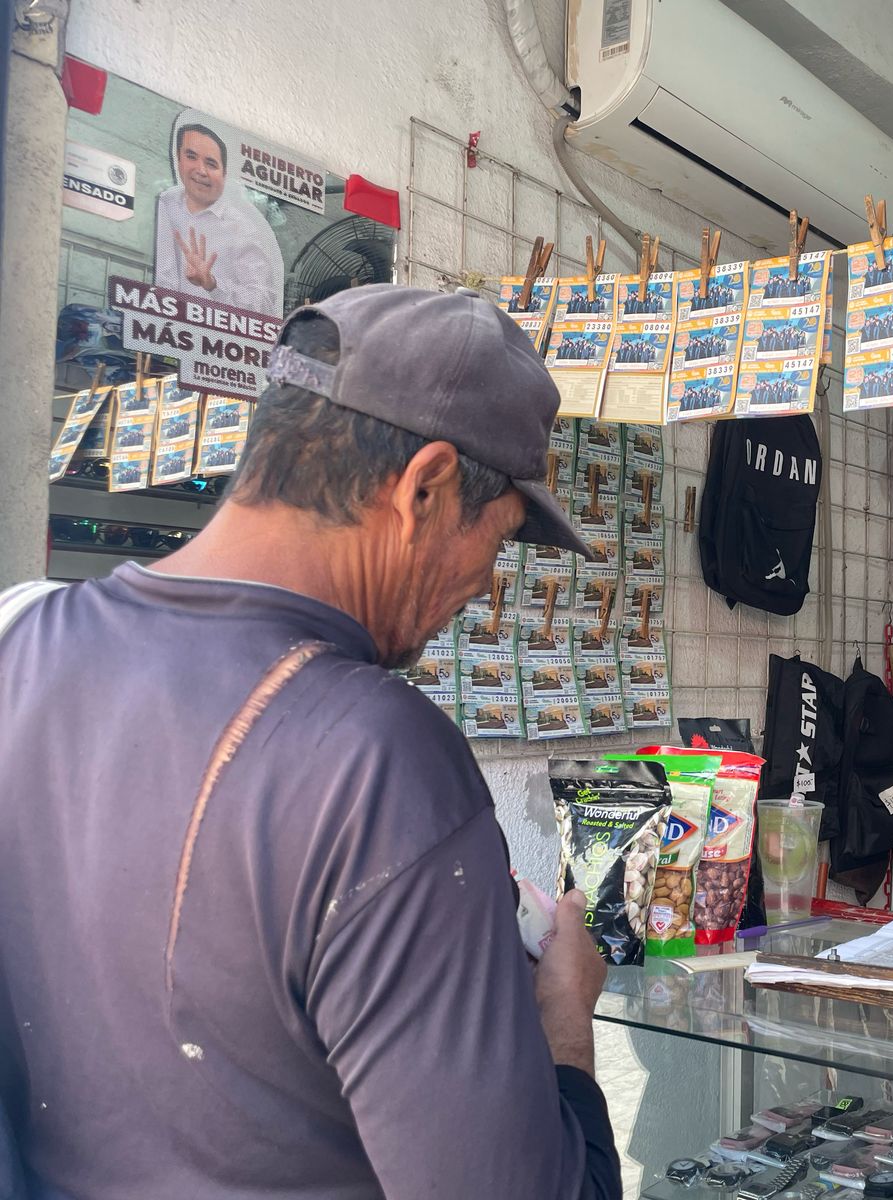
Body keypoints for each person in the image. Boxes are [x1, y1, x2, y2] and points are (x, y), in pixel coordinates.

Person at [0, 285, 621, 1198]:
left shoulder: (17, 637)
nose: (487, 586)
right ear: (426, 487)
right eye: (500, 540)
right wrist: (564, 1022)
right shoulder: (376, 762)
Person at [154, 122, 286, 316]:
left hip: (213, 333)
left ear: (224, 175)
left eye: (211, 163)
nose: (201, 170)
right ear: (178, 159)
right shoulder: (165, 203)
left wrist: (213, 284)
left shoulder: (242, 229)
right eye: (191, 156)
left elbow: (263, 302)